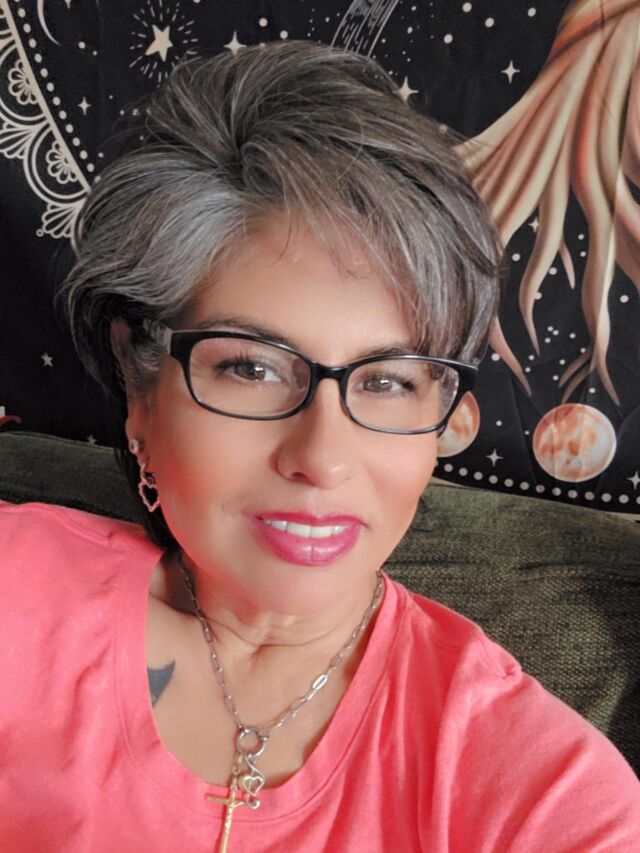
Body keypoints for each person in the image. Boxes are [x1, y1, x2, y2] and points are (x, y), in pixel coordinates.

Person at [1, 40, 639, 852]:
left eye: (389, 381)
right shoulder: (16, 593)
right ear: (141, 390)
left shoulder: (545, 789)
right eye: (252, 368)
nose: (323, 457)